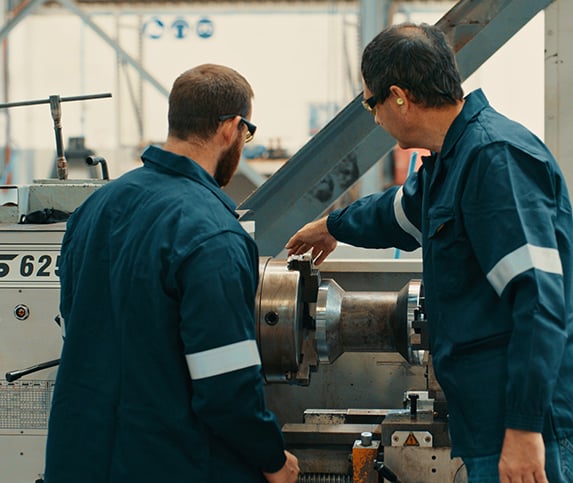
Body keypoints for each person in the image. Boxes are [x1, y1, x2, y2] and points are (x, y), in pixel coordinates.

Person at [286, 22, 573, 483]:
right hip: (486, 422)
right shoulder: (450, 161)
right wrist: (331, 225)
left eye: (370, 103)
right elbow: (398, 212)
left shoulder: (494, 159)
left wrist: (523, 428)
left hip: (520, 425)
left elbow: (538, 302)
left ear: (398, 96)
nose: (374, 117)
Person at [44, 64, 299, 483]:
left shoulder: (94, 210)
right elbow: (225, 387)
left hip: (80, 459)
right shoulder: (212, 234)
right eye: (245, 134)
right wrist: (271, 458)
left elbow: (79, 328)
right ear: (231, 129)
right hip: (170, 462)